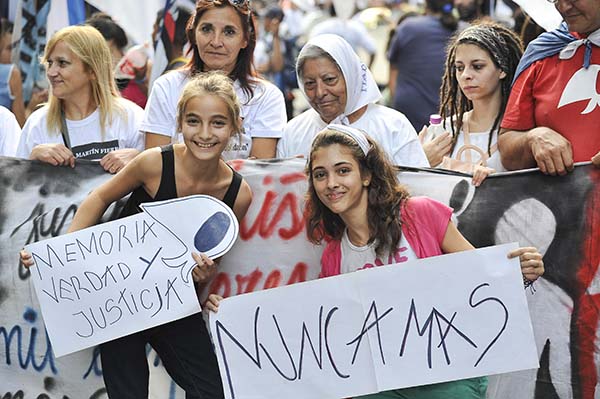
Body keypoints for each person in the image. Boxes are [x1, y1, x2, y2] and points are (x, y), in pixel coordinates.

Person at [20, 71, 253, 398]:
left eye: (217, 123)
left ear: (234, 126)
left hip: (174, 304)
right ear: (179, 122)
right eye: (193, 121)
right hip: (120, 303)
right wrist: (59, 252)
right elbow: (100, 198)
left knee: (211, 391)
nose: (204, 133)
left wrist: (205, 273)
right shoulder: (154, 163)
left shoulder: (238, 195)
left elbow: (209, 263)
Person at [299, 125, 544, 399]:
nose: (331, 183)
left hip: (449, 376)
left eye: (343, 170)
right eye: (321, 175)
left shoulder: (419, 214)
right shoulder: (334, 255)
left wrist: (517, 270)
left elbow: (480, 276)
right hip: (380, 386)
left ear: (366, 175)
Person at [142, 0, 286, 160]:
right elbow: (157, 166)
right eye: (207, 29)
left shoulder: (267, 97)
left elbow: (258, 174)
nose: (216, 42)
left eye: (229, 32)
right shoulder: (166, 87)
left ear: (245, 39)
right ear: (193, 33)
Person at [277, 34, 428, 168]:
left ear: (350, 77)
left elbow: (417, 189)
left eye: (329, 80)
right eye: (310, 83)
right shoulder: (292, 133)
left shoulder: (393, 127)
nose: (320, 92)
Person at [15, 25, 144, 174]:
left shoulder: (129, 116)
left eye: (62, 63)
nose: (51, 72)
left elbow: (159, 177)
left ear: (92, 70)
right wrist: (32, 161)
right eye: (50, 63)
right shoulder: (38, 123)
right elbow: (16, 189)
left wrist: (139, 159)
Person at [498, 0, 600, 175]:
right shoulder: (542, 53)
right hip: (559, 200)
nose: (563, 7)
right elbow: (507, 149)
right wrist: (533, 138)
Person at [422, 21, 523, 186]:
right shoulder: (444, 131)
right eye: (459, 68)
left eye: (477, 66)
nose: (466, 76)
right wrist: (420, 160)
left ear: (502, 69)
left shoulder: (521, 131)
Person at [388, 0, 460, 130]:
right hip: (448, 115)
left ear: (426, 5)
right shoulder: (463, 30)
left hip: (408, 113)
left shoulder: (407, 27)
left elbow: (393, 69)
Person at [0, 18, 25, 126]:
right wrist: (32, 106)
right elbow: (20, 127)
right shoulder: (12, 74)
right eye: (9, 48)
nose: (12, 54)